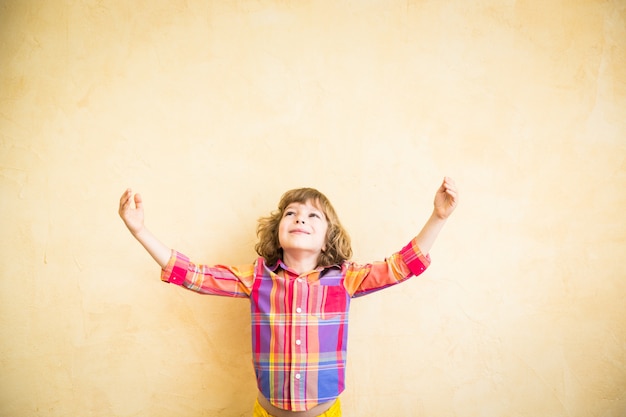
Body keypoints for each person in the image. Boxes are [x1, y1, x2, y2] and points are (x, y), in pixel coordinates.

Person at [118, 177, 458, 417]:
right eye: (291, 213)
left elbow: (402, 266)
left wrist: (438, 217)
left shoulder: (345, 278)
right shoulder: (256, 278)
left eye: (313, 216)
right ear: (278, 231)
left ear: (327, 239)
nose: (300, 218)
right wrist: (140, 230)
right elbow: (194, 275)